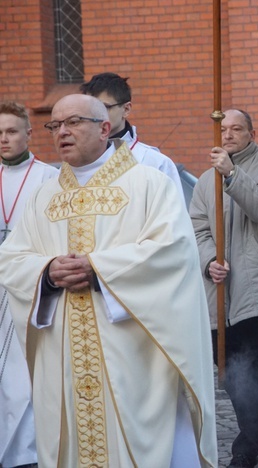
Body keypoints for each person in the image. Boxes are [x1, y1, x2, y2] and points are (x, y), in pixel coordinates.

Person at [0, 94, 217, 467]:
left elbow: (174, 251)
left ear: (104, 128)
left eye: (73, 123)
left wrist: (99, 269)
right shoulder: (43, 196)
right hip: (64, 353)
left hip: (133, 352)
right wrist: (47, 273)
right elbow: (12, 258)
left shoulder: (150, 184)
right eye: (54, 125)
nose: (62, 132)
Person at [190, 108, 258, 468]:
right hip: (221, 287)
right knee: (229, 370)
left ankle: (247, 443)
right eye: (224, 129)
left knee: (252, 364)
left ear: (251, 132)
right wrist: (208, 261)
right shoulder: (205, 181)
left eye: (237, 129)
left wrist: (232, 174)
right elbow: (198, 228)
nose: (229, 135)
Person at [0, 102, 59, 468]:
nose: (3, 139)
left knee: (22, 377)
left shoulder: (48, 178)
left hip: (26, 286)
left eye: (10, 131)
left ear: (28, 133)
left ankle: (25, 455)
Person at [80, 72, 183, 197]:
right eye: (90, 108)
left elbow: (173, 214)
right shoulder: (78, 161)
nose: (96, 115)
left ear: (126, 109)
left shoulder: (155, 162)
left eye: (104, 107)